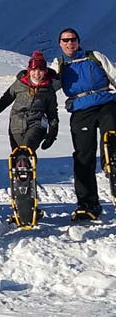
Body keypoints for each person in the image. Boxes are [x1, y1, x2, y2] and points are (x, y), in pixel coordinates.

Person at [51, 28, 116, 221]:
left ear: (78, 41)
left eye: (72, 40)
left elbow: (113, 74)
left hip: (106, 103)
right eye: (65, 40)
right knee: (83, 156)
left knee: (111, 137)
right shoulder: (60, 64)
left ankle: (110, 164)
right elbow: (48, 86)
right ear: (60, 44)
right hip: (81, 110)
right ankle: (88, 204)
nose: (69, 43)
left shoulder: (94, 57)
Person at [0, 50, 59, 153]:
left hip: (37, 124)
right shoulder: (20, 84)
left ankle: (26, 165)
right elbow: (5, 100)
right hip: (16, 124)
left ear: (45, 71)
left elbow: (52, 112)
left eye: (41, 70)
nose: (37, 74)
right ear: (29, 70)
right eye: (34, 70)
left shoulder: (48, 90)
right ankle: (20, 167)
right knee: (17, 153)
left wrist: (53, 132)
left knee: (26, 149)